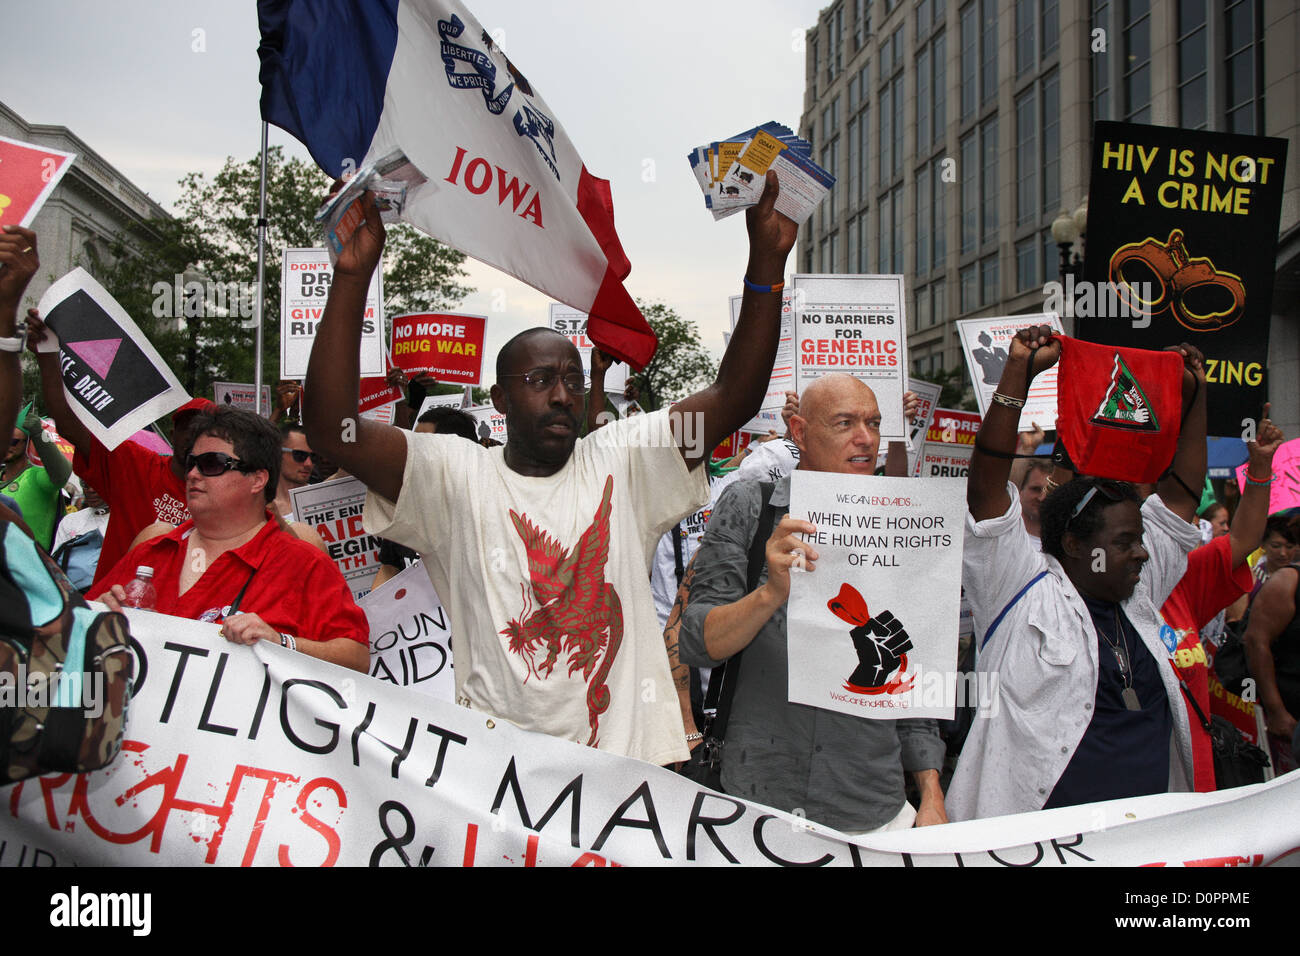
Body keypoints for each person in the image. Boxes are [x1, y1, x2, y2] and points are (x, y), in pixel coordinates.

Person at [304, 172, 797, 764]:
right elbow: (336, 431)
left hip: (624, 778)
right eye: (540, 381)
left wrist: (766, 265)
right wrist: (352, 279)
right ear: (501, 400)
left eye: (573, 380)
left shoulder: (625, 460)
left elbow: (733, 398)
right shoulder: (455, 477)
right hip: (501, 786)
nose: (563, 395)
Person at [949, 326, 1207, 820]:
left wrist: (1192, 395)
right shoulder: (1020, 585)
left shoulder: (1141, 594)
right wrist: (1018, 374)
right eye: (1125, 543)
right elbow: (985, 483)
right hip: (1034, 846)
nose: (1142, 555)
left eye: (1140, 540)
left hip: (1149, 841)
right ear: (1074, 545)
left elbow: (1182, 496)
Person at [675, 374, 946, 831]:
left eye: (875, 423)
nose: (865, 438)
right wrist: (770, 593)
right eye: (845, 423)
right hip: (758, 805)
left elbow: (914, 682)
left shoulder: (905, 525)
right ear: (799, 432)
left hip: (870, 810)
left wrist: (931, 797)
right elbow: (699, 642)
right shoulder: (750, 506)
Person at [93, 407, 368, 671]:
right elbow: (71, 627)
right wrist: (98, 614)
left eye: (211, 464)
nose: (192, 474)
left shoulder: (304, 563)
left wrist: (281, 642)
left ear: (258, 480)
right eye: (191, 463)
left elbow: (357, 658)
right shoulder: (153, 549)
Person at [25, 310, 213, 588]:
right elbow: (67, 424)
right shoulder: (133, 464)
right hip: (113, 609)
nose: (195, 437)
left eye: (207, 430)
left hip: (177, 621)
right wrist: (47, 355)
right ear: (173, 434)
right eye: (189, 427)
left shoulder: (226, 495)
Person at [1156, 408, 1281, 791]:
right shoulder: (1093, 597)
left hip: (1196, 788)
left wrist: (1259, 469)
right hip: (1134, 793)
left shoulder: (1183, 578)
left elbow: (1243, 541)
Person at [370, 405, 480, 590]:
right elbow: (389, 569)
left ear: (456, 450)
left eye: (422, 445)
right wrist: (374, 613)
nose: (413, 452)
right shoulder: (406, 509)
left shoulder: (493, 511)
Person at [3, 402, 72, 549]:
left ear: (27, 443)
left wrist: (38, 434)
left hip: (29, 566)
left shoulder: (37, 476)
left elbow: (62, 474)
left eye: (13, 442)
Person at [275, 423, 319, 518]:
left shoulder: (324, 500)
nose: (309, 463)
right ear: (278, 454)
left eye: (313, 457)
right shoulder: (258, 505)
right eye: (300, 455)